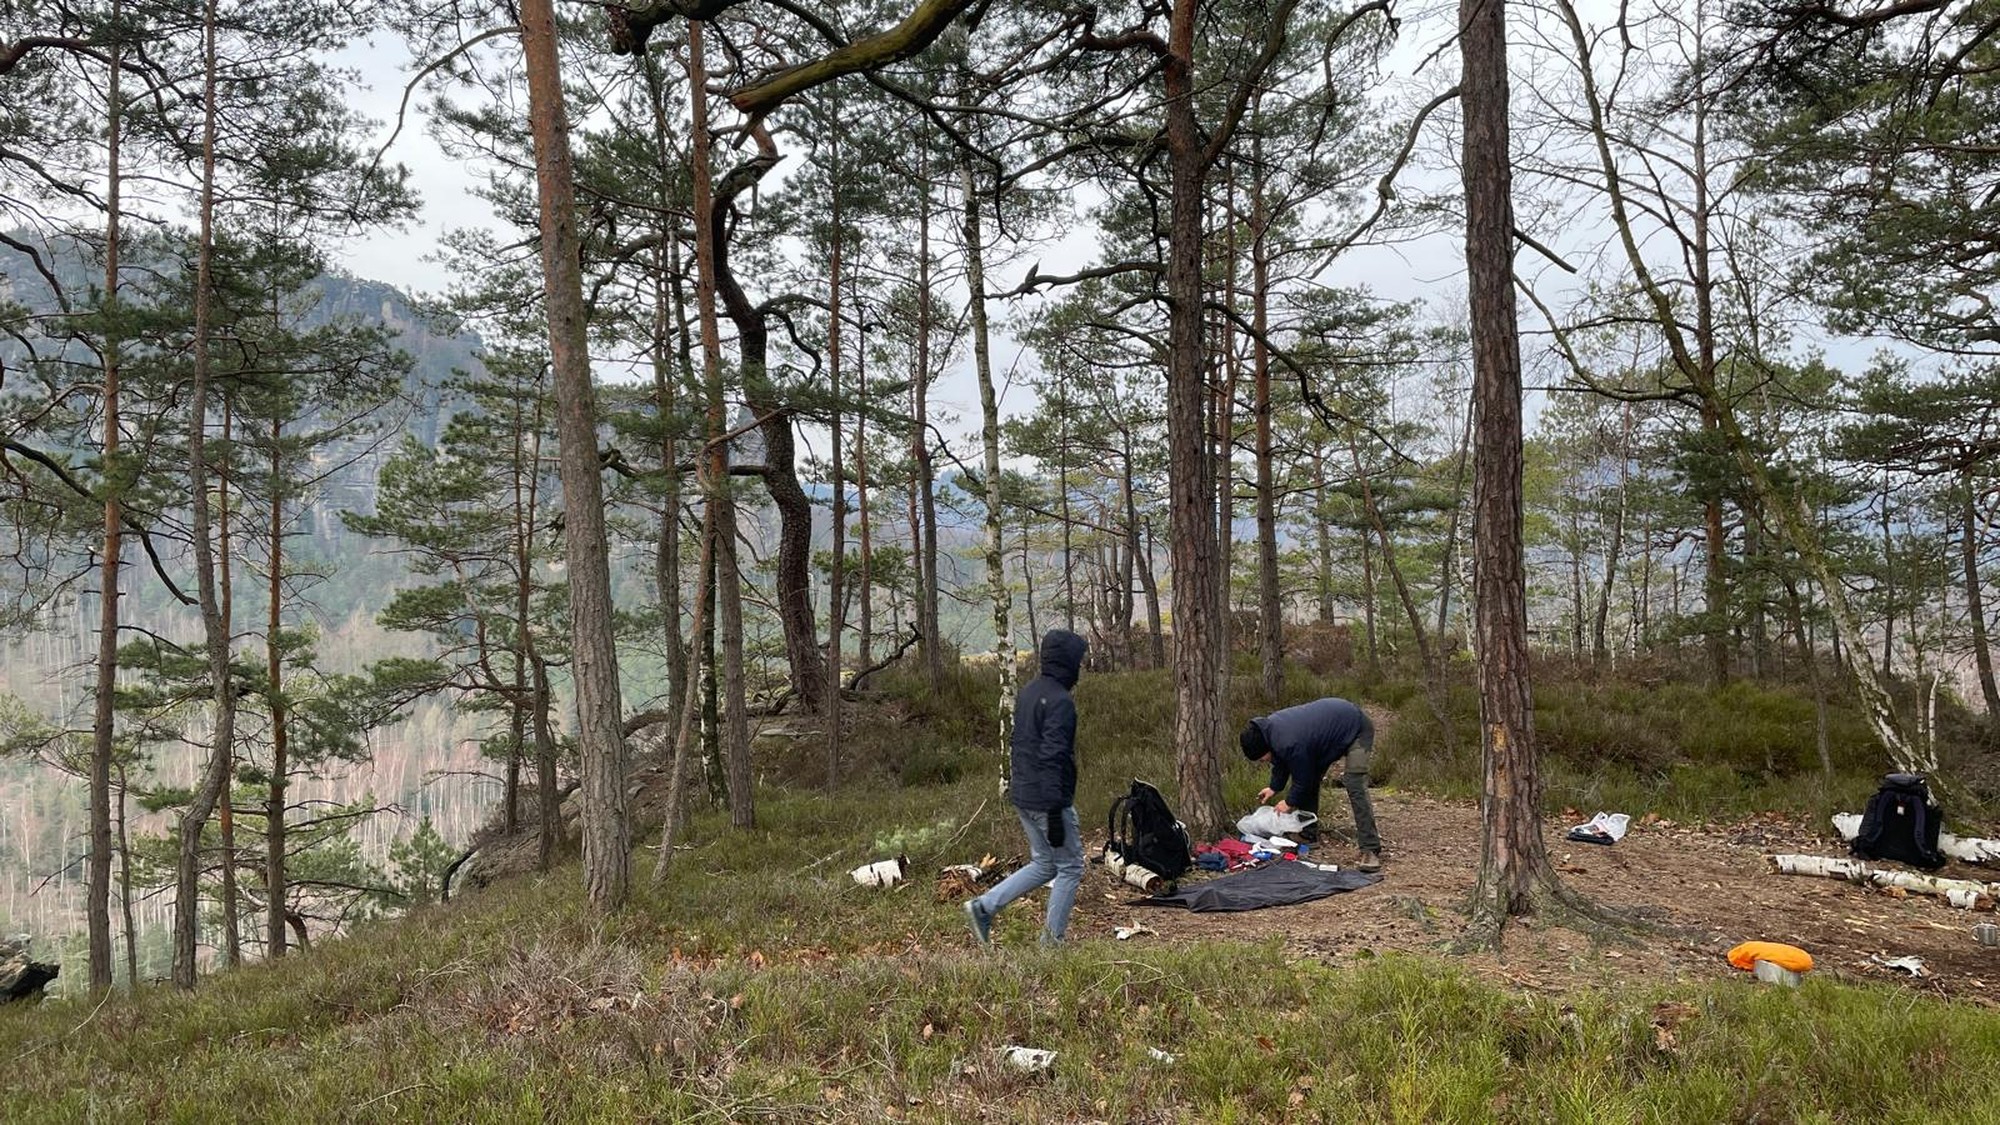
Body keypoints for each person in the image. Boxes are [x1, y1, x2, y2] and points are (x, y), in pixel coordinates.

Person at [965, 629, 1088, 948]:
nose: (1080, 667)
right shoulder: (1061, 702)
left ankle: (984, 907)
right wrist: (1056, 813)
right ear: (1067, 663)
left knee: (1046, 863)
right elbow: (1053, 757)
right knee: (1070, 866)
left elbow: (1021, 746)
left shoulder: (1031, 691)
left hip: (1024, 795)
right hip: (1047, 800)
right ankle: (1052, 943)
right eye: (1078, 661)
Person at [1240, 697, 1382, 873]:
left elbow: (1302, 779)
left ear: (1265, 748)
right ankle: (1308, 835)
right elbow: (1282, 762)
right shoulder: (1271, 732)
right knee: (1312, 776)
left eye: (1262, 758)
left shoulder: (1289, 741)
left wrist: (1289, 802)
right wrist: (1274, 787)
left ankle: (1370, 848)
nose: (1263, 761)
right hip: (1328, 736)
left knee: (1354, 783)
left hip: (1356, 727)